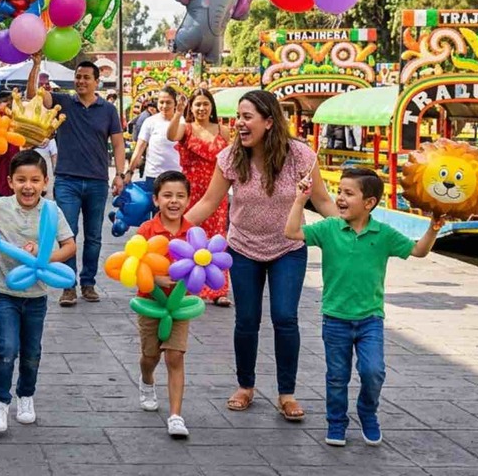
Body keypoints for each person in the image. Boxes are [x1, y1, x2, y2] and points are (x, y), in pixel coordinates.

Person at [184, 89, 336, 422]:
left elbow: (322, 201)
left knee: (285, 317)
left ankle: (287, 394)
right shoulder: (231, 157)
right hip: (242, 248)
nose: (239, 123)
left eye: (247, 117)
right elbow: (210, 202)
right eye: (238, 116)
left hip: (288, 248)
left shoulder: (299, 156)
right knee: (247, 320)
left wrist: (349, 225)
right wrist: (171, 227)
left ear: (269, 122)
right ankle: (245, 386)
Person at [284, 167, 441, 447]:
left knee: (373, 371)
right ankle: (336, 422)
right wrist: (299, 199)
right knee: (337, 376)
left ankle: (368, 412)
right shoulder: (329, 227)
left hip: (371, 319)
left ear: (369, 203)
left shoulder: (383, 234)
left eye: (348, 193)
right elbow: (292, 232)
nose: (339, 198)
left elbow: (419, 251)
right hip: (335, 318)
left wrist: (433, 228)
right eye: (339, 192)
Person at [0, 150, 75, 434]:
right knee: (6, 347)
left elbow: (70, 245)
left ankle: (26, 395)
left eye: (34, 180)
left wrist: (44, 257)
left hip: (37, 295)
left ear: (45, 182)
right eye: (21, 180)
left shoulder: (52, 211)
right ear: (10, 181)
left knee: (31, 351)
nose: (28, 186)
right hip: (4, 290)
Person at [27, 56, 125, 307]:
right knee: (67, 235)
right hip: (67, 180)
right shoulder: (63, 102)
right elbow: (33, 97)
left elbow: (117, 143)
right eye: (78, 77)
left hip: (97, 181)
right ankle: (67, 286)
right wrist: (36, 65)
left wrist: (121, 174)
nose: (81, 81)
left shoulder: (108, 110)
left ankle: (88, 283)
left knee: (93, 237)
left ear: (96, 82)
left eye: (86, 78)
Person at [134, 170, 197, 438]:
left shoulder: (193, 232)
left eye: (180, 196)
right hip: (150, 304)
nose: (174, 201)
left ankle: (175, 416)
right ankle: (147, 380)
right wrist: (153, 278)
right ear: (156, 199)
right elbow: (132, 264)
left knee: (175, 355)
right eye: (167, 195)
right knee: (151, 356)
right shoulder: (146, 230)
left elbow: (201, 265)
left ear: (188, 200)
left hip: (179, 306)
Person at [167, 88, 232, 306]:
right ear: (191, 107)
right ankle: (188, 285)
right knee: (189, 236)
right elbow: (170, 136)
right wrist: (178, 112)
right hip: (191, 192)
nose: (202, 108)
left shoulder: (223, 131)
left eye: (205, 104)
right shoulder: (185, 129)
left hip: (217, 192)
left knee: (216, 238)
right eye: (197, 104)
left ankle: (218, 289)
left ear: (211, 106)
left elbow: (232, 159)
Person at [127, 86, 182, 202]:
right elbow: (139, 149)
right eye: (161, 102)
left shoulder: (183, 122)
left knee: (174, 214)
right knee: (155, 214)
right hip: (153, 176)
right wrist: (129, 172)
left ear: (175, 103)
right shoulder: (150, 122)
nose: (164, 106)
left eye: (168, 102)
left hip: (177, 177)